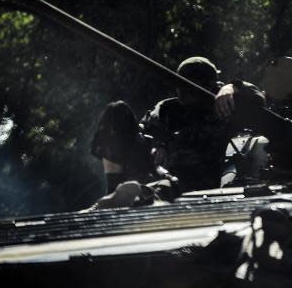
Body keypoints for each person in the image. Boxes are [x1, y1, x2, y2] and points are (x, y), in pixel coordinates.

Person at [93, 56, 264, 194]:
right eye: (179, 86)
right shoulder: (167, 109)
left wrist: (231, 88)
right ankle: (113, 191)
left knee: (162, 188)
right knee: (117, 110)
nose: (181, 92)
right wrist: (159, 143)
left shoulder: (222, 109)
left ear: (210, 86)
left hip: (193, 185)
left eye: (187, 87)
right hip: (155, 173)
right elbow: (144, 131)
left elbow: (258, 99)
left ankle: (139, 193)